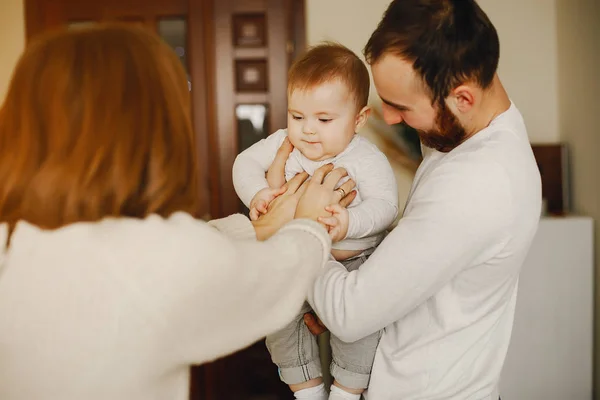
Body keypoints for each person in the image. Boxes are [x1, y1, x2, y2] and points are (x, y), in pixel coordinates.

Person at [0, 24, 355, 400]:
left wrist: (262, 227)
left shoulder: (12, 242)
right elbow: (272, 276)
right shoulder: (163, 259)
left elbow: (198, 252)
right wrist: (308, 224)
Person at [294, 1, 543, 399]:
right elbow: (418, 262)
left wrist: (301, 226)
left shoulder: (479, 183)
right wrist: (354, 283)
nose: (388, 118)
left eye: (400, 106)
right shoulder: (469, 134)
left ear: (462, 99)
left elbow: (349, 314)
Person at [232, 43, 398, 400]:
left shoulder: (366, 158)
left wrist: (349, 222)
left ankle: (345, 392)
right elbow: (243, 164)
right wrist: (259, 194)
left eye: (324, 120)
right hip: (294, 259)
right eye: (297, 116)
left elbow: (387, 206)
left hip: (351, 262)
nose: (307, 130)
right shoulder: (284, 144)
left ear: (359, 119)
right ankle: (306, 391)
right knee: (279, 322)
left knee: (360, 330)